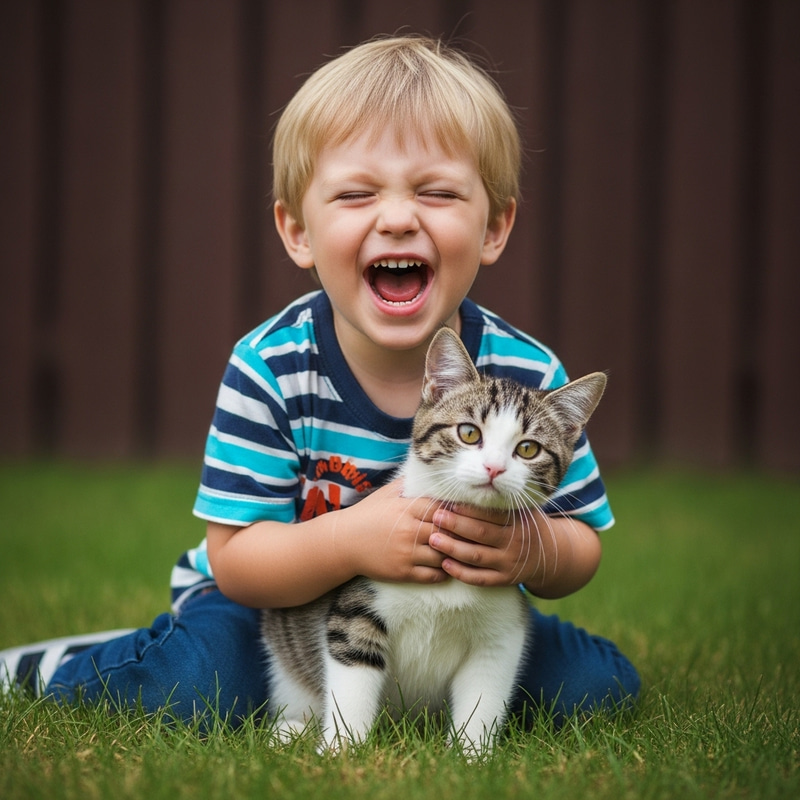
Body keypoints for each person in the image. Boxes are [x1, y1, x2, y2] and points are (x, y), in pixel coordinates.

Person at [0, 35, 639, 728]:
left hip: (463, 612)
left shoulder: (533, 378)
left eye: (437, 192)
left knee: (594, 687)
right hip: (272, 609)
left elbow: (581, 541)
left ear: (495, 226)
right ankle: (60, 667)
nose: (398, 218)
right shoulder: (272, 366)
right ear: (298, 231)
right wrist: (352, 541)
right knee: (200, 682)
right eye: (357, 193)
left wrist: (523, 554)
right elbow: (236, 561)